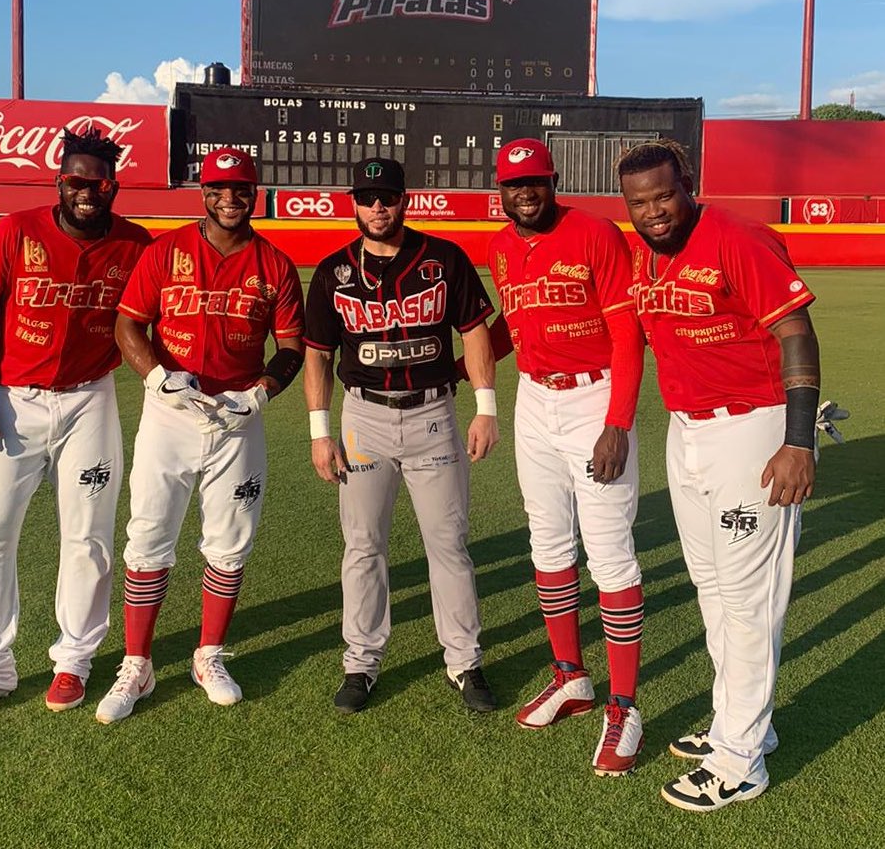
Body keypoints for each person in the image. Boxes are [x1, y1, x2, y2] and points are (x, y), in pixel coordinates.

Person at [617, 138, 820, 812]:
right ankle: (740, 726)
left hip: (752, 430)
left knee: (747, 595)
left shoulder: (733, 235)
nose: (653, 212)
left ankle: (740, 761)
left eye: (663, 196)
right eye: (639, 202)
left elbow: (794, 329)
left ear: (688, 186)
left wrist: (797, 442)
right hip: (689, 431)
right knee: (710, 585)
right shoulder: (645, 253)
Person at [0, 127, 151, 720]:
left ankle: (74, 661)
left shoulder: (135, 244)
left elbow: (164, 308)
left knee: (88, 535)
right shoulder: (16, 231)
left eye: (99, 183)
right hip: (14, 401)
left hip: (91, 400)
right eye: (76, 181)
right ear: (59, 181)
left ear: (114, 186)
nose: (87, 192)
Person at [94, 147, 305, 725]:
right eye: (218, 189)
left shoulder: (276, 265)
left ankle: (207, 654)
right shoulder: (165, 252)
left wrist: (261, 391)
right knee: (147, 538)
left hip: (237, 419)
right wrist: (155, 376)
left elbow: (290, 349)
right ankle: (137, 663)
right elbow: (128, 324)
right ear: (203, 193)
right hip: (172, 415)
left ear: (254, 194)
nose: (229, 199)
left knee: (230, 541)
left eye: (240, 190)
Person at [304, 157, 499, 715]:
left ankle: (464, 661)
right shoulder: (334, 270)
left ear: (404, 199)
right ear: (354, 204)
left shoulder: (443, 259)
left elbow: (475, 331)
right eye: (367, 198)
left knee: (448, 543)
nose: (378, 207)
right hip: (362, 418)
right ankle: (361, 662)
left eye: (386, 196)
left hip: (433, 416)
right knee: (363, 544)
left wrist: (486, 408)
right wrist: (320, 432)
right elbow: (317, 354)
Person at [481, 138, 647, 776]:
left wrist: (618, 424)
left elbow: (628, 333)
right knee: (548, 546)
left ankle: (624, 705)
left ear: (553, 181)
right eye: (515, 184)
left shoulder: (594, 233)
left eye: (536, 182)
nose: (526, 193)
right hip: (534, 400)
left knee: (609, 554)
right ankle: (572, 678)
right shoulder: (499, 246)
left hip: (593, 396)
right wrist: (456, 359)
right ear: (501, 190)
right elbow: (510, 325)